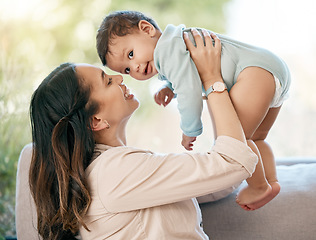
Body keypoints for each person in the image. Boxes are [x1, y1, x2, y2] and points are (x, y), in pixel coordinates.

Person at [29, 30, 257, 239]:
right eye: (108, 81)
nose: (120, 78)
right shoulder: (113, 172)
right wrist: (211, 78)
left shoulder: (113, 169)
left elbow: (218, 179)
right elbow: (234, 163)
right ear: (95, 121)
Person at [96, 10, 291, 210]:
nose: (134, 67)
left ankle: (259, 187)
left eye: (130, 54)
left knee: (237, 140)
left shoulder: (167, 52)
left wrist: (190, 130)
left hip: (252, 74)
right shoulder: (175, 43)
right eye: (126, 70)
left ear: (147, 29)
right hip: (269, 69)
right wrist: (169, 88)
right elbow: (188, 71)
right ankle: (271, 181)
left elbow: (189, 89)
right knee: (257, 138)